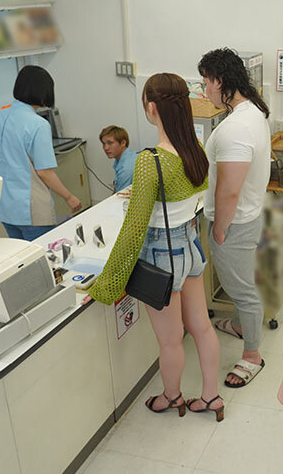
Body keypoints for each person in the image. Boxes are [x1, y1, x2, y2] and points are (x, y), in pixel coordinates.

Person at [89, 73, 225, 421]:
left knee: (170, 340)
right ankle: (211, 398)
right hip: (190, 246)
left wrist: (107, 284)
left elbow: (134, 229)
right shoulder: (195, 149)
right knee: (202, 328)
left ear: (151, 108)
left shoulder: (150, 160)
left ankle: (172, 396)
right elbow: (188, 196)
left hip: (162, 255)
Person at [198, 48, 272, 388]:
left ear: (220, 81)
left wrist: (220, 228)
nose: (205, 91)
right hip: (249, 215)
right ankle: (241, 326)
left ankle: (252, 356)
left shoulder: (236, 128)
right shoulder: (253, 112)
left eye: (206, 83)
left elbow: (228, 191)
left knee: (242, 291)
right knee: (244, 281)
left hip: (235, 222)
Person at [0, 65, 81, 241]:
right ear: (44, 91)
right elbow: (44, 172)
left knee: (21, 256)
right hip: (31, 210)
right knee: (43, 255)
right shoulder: (38, 124)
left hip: (5, 207)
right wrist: (69, 197)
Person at [99, 125, 137, 192]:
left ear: (123, 143)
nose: (105, 148)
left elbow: (121, 196)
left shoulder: (126, 168)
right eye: (103, 144)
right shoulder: (130, 156)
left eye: (110, 143)